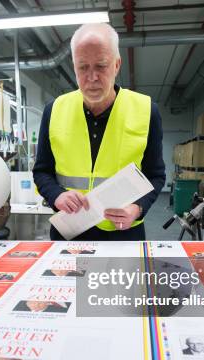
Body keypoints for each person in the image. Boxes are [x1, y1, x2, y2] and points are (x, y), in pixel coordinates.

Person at [33, 23, 165, 241]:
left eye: (101, 66)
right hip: (69, 232)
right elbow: (42, 171)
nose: (92, 78)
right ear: (73, 65)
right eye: (83, 67)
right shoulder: (54, 110)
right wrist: (57, 195)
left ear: (116, 65)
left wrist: (137, 208)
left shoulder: (146, 110)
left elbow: (156, 175)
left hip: (123, 233)